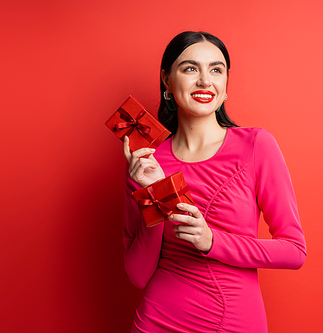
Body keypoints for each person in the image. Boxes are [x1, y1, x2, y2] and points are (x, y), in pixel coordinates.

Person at [122, 31, 306, 333]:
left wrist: (213, 241)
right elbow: (138, 275)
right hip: (157, 320)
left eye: (216, 70)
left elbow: (295, 251)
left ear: (225, 84)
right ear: (167, 80)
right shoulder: (146, 160)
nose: (205, 81)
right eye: (190, 68)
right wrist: (154, 192)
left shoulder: (257, 145)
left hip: (232, 320)